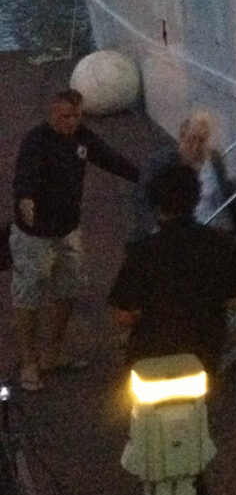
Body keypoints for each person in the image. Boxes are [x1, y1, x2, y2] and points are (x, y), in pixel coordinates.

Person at [109, 162, 236, 495]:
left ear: (156, 204)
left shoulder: (143, 251)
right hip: (203, 356)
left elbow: (124, 313)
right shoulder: (220, 244)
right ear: (193, 199)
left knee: (153, 445)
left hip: (151, 362)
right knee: (191, 439)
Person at [10, 88, 139, 393]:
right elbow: (23, 175)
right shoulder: (36, 140)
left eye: (76, 116)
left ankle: (52, 354)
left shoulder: (82, 138)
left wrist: (144, 176)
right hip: (35, 236)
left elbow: (110, 159)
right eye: (65, 116)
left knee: (67, 290)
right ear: (52, 113)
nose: (71, 122)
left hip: (68, 231)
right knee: (28, 294)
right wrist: (25, 199)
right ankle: (29, 361)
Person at [134, 111, 236, 239]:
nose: (195, 146)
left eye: (200, 140)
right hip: (178, 231)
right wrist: (153, 228)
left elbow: (222, 191)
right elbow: (142, 197)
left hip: (214, 227)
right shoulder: (161, 163)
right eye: (190, 140)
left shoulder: (214, 160)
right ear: (181, 139)